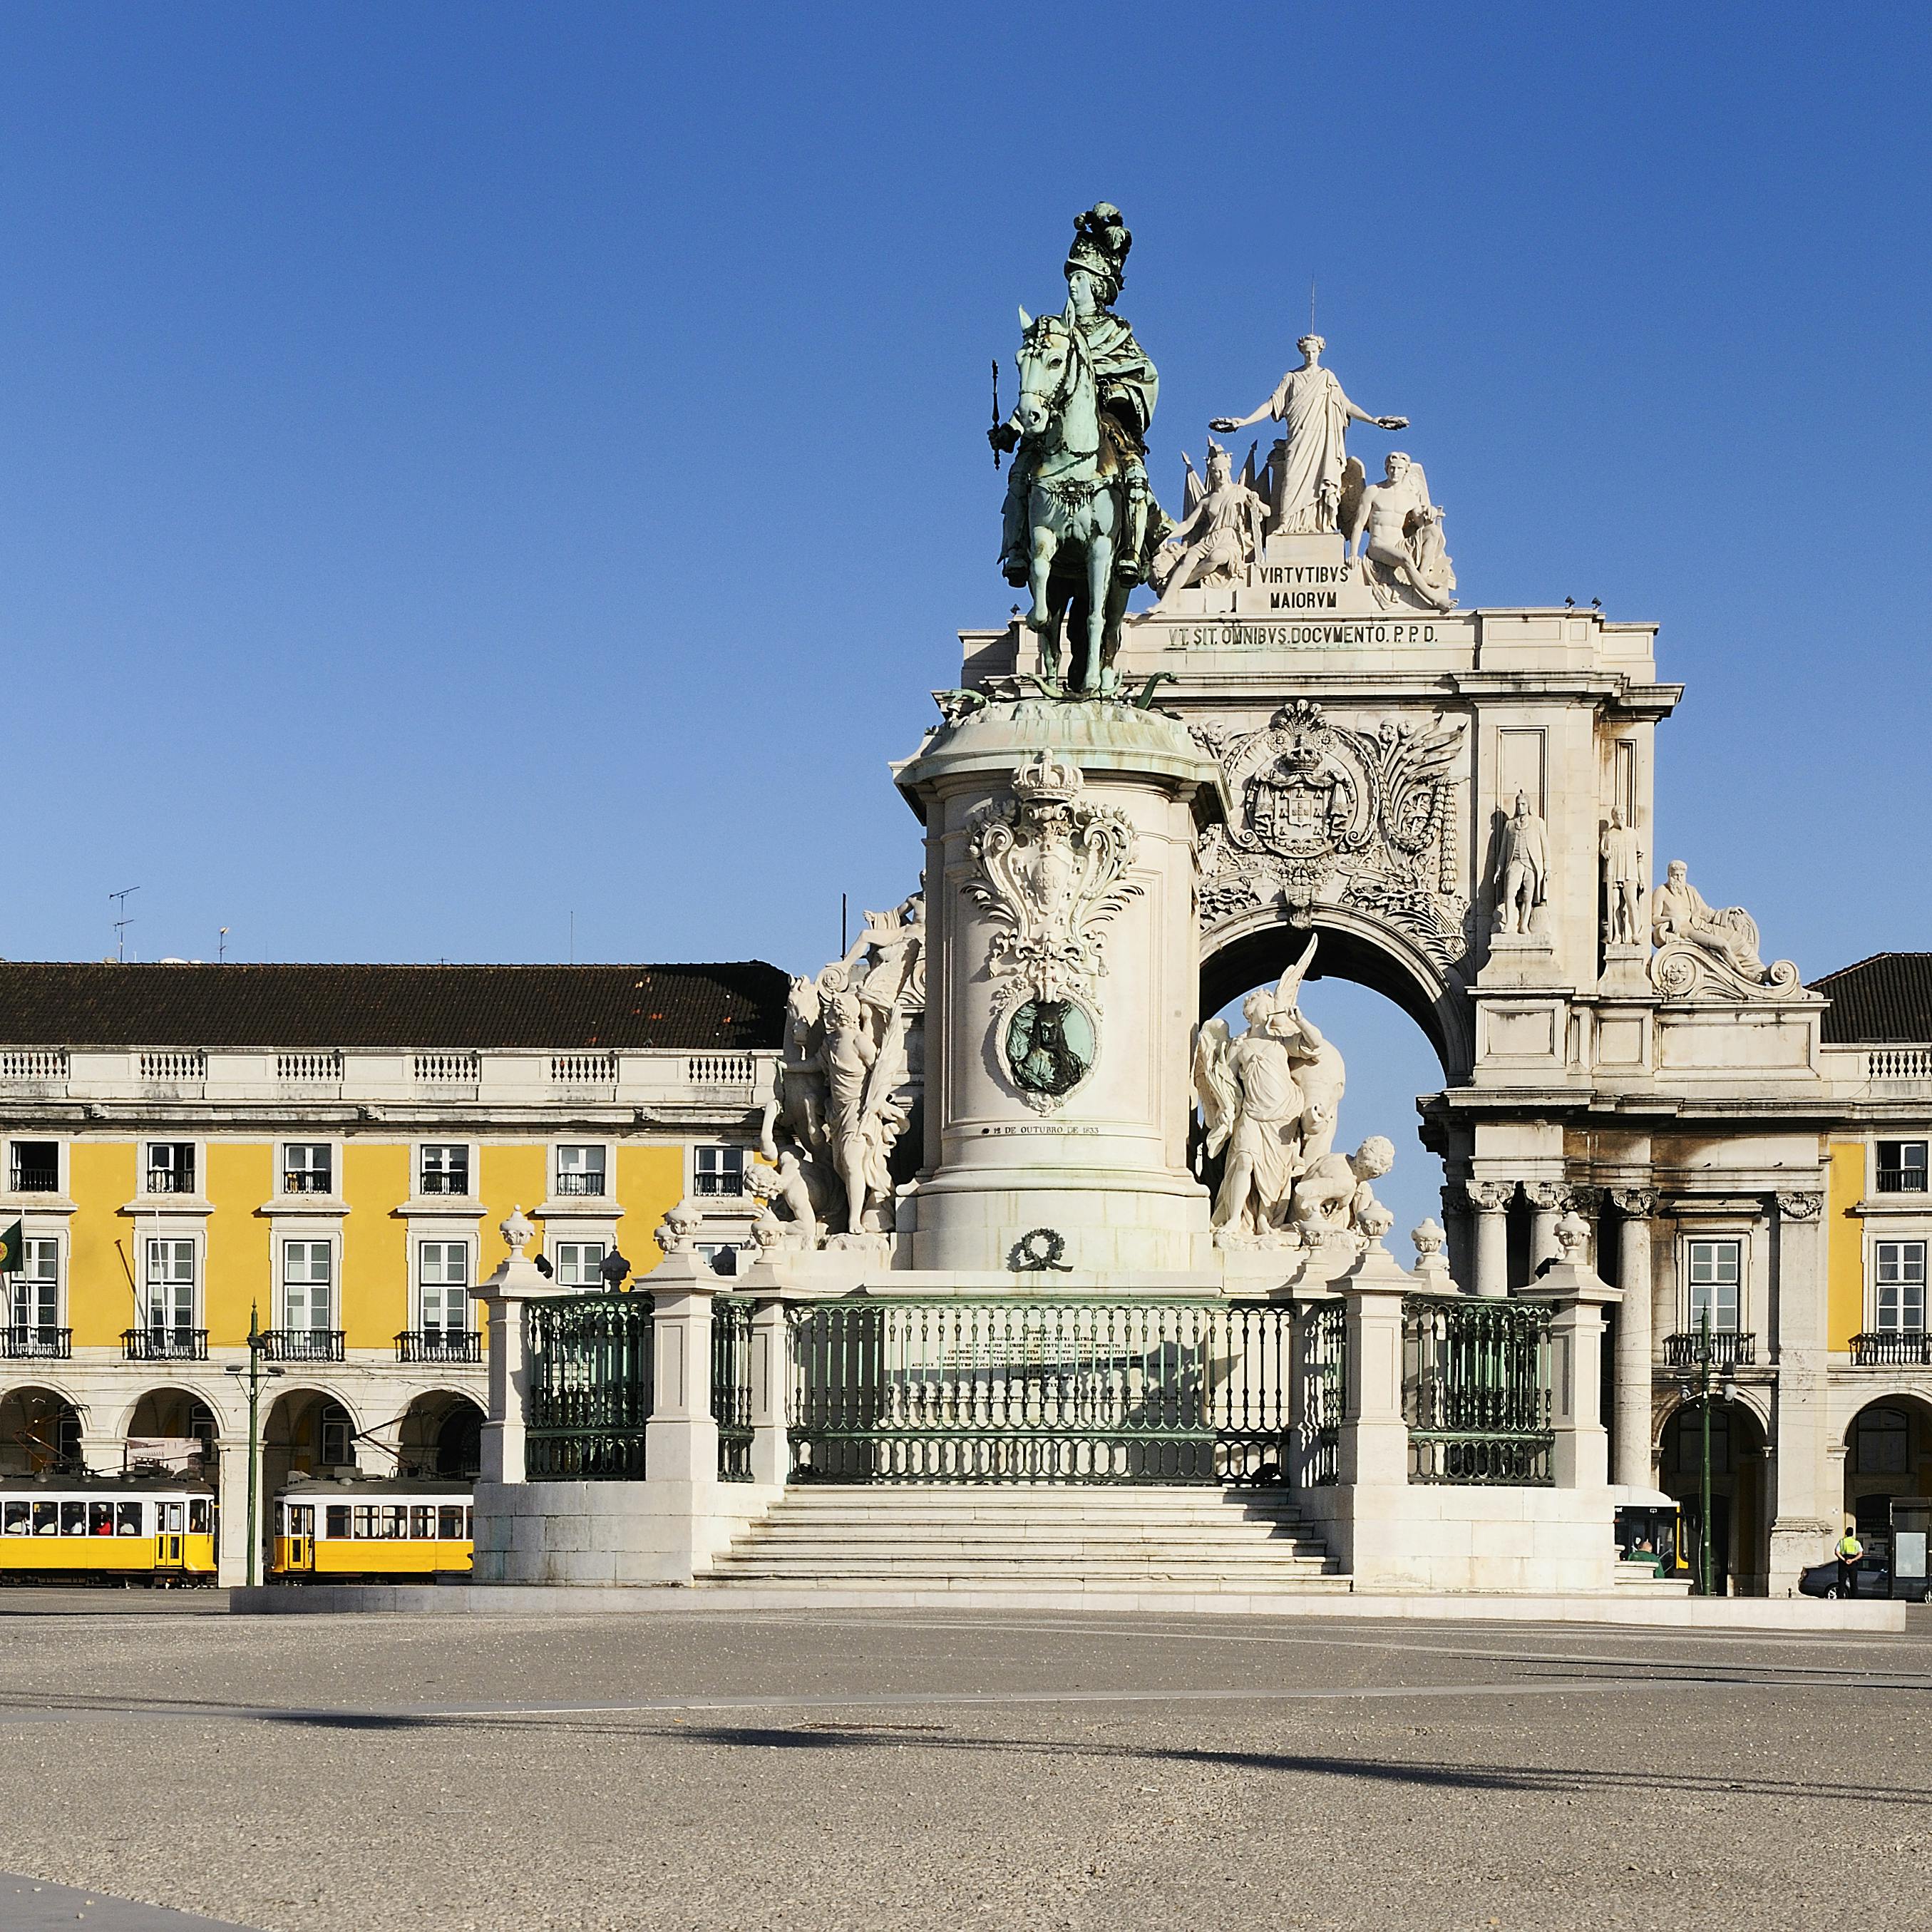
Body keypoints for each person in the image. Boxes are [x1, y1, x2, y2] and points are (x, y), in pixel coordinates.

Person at [1835, 1527, 1864, 1598]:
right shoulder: (1856, 1543)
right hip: (1853, 1563)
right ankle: (1854, 1597)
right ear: (1852, 1534)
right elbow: (1860, 1554)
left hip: (1843, 1563)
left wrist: (1844, 1559)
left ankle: (1840, 1597)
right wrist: (1852, 1560)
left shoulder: (1842, 1542)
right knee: (1853, 1581)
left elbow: (1837, 1552)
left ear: (1846, 1533)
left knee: (1842, 1581)